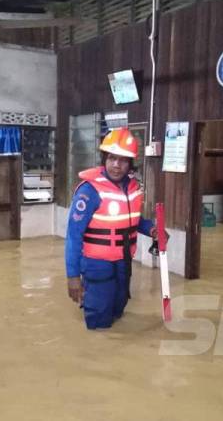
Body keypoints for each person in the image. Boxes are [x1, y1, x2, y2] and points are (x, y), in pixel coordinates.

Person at [65, 128, 156, 329]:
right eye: (112, 158)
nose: (116, 165)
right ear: (104, 158)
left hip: (124, 262)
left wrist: (151, 229)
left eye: (123, 160)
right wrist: (72, 276)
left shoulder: (132, 187)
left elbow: (131, 220)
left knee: (118, 310)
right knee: (100, 322)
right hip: (97, 264)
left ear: (130, 163)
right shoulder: (89, 191)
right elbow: (73, 236)